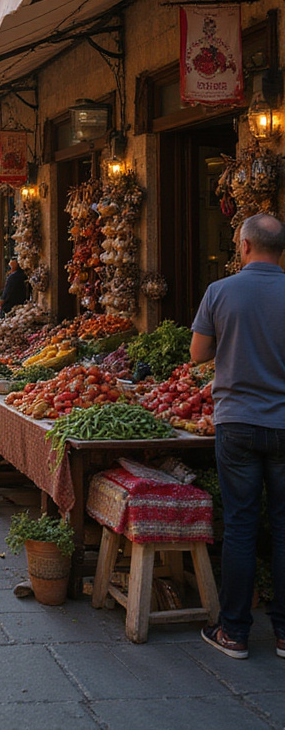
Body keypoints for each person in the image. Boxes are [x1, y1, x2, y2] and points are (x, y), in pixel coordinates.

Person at [190, 212, 285, 660]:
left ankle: (235, 633)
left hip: (238, 423)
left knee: (242, 527)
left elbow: (197, 354)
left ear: (244, 247)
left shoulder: (220, 291)